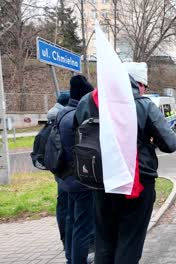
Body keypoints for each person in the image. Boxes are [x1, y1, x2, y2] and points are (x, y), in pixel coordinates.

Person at [75, 62, 176, 263]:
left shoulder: (88, 102)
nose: (144, 90)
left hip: (101, 180)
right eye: (144, 85)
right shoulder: (144, 105)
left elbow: (77, 136)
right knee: (129, 242)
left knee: (104, 241)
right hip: (137, 183)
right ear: (137, 83)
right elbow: (171, 143)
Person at [57, 75, 95, 263]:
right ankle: (78, 260)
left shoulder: (63, 113)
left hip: (66, 179)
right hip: (81, 180)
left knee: (72, 221)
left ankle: (71, 258)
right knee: (83, 226)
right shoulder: (78, 116)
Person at [47, 91, 70, 250]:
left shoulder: (53, 115)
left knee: (62, 205)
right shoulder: (62, 116)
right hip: (65, 168)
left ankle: (65, 239)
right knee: (67, 206)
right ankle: (68, 240)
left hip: (58, 167)